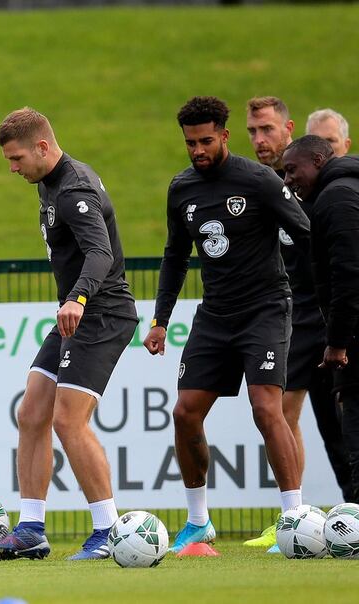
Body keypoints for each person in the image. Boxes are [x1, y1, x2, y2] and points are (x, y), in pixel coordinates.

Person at [143, 96, 309, 554]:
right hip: (215, 314)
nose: (197, 149)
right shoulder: (181, 189)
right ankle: (198, 524)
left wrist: (327, 294)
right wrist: (160, 320)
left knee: (265, 407)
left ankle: (293, 518)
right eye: (190, 142)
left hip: (265, 309)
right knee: (184, 413)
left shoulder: (257, 180)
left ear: (224, 136)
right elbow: (175, 256)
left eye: (206, 140)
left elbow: (305, 231)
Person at [0, 108, 138, 562]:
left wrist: (78, 299)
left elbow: (100, 252)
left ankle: (109, 529)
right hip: (77, 314)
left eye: (16, 159)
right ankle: (32, 526)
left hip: (101, 313)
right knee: (32, 412)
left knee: (68, 420)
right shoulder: (49, 181)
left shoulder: (74, 190)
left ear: (42, 147)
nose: (12, 168)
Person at [245, 98, 353, 551]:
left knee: (339, 419)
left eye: (266, 129)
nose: (259, 140)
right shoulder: (263, 183)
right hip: (290, 314)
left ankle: (349, 510)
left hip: (327, 314)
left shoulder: (325, 190)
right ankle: (295, 517)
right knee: (282, 412)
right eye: (252, 131)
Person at [282, 135, 359, 504]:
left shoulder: (337, 197)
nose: (287, 179)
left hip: (348, 338)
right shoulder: (344, 189)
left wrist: (338, 341)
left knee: (353, 428)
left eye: (293, 170)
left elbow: (348, 275)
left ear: (317, 159)